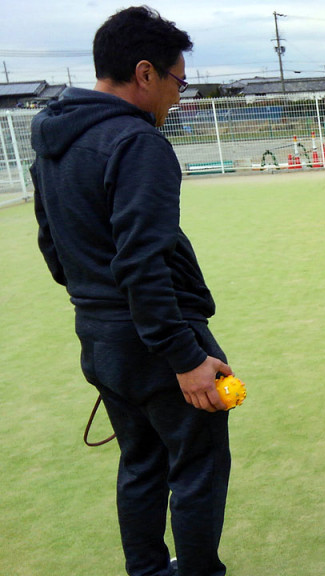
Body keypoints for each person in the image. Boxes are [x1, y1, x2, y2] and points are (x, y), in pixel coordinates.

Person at [31, 7, 233, 576]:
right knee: (197, 465)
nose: (178, 95)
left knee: (141, 462)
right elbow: (143, 263)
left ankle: (147, 570)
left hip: (99, 338)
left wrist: (100, 312)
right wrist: (184, 356)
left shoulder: (53, 138)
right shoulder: (136, 142)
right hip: (158, 342)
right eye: (178, 80)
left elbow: (52, 246)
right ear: (145, 73)